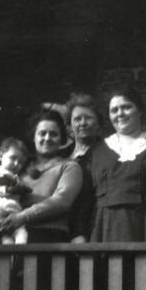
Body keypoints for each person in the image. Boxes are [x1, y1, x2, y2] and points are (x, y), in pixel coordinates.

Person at [0, 110, 83, 243]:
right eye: (42, 133)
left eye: (53, 134)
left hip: (51, 237)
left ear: (61, 139)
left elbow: (62, 201)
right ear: (33, 137)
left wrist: (22, 217)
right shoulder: (20, 167)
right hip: (14, 236)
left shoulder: (70, 167)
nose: (47, 138)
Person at [88, 86, 146, 242]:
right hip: (103, 228)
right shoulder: (97, 150)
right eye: (114, 110)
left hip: (143, 226)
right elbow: (86, 197)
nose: (120, 113)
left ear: (139, 111)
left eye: (126, 107)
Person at [61, 92, 106, 243]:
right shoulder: (61, 156)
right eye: (77, 119)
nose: (82, 123)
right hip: (61, 230)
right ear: (69, 126)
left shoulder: (106, 154)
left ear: (98, 123)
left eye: (88, 118)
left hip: (90, 232)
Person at [0, 138, 31, 244]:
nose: (16, 163)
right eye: (12, 158)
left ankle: (18, 255)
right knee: (5, 239)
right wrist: (7, 190)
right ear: (0, 156)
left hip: (13, 213)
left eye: (21, 162)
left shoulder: (18, 178)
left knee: (20, 235)